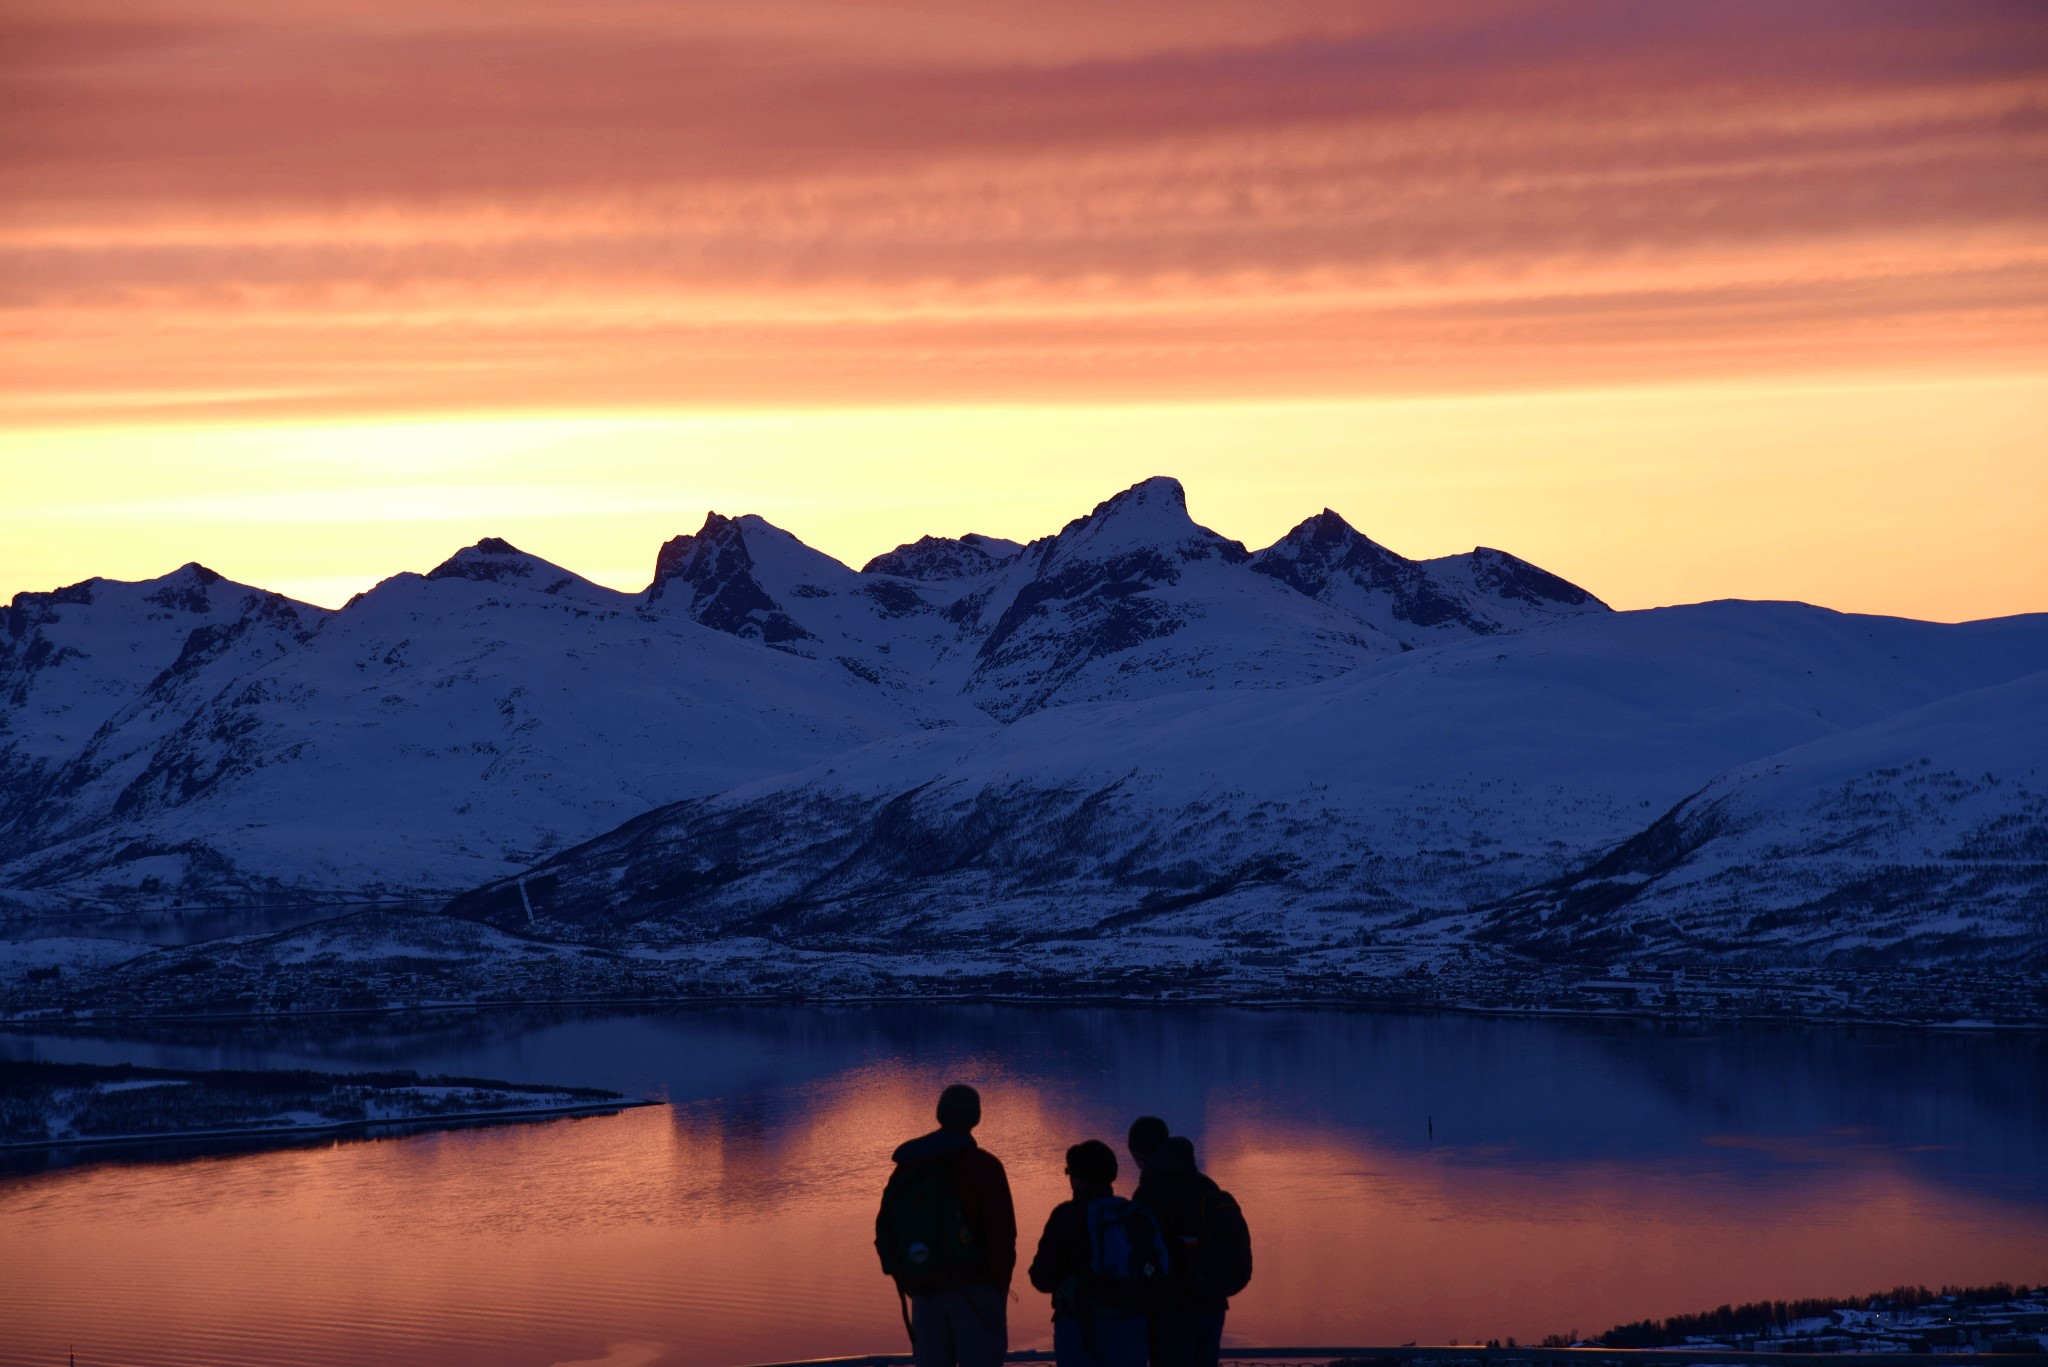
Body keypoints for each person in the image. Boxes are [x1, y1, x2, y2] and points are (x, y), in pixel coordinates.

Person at [876, 1083, 1018, 1367]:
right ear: (975, 1118)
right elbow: (1003, 1235)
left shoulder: (908, 1167)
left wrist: (909, 1278)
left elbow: (885, 1230)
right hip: (976, 1291)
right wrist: (998, 1288)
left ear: (939, 1114)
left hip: (924, 1291)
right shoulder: (984, 1166)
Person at [1028, 1140, 1158, 1367]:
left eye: (1069, 1172)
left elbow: (1042, 1278)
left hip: (1077, 1326)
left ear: (1076, 1178)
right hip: (1130, 1324)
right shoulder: (1134, 1216)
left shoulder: (1065, 1216)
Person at [1128, 1117, 1245, 1367]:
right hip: (1212, 1302)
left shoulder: (1149, 1192)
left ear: (1138, 1155)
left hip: (1173, 1309)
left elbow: (1142, 1251)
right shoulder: (1203, 1183)